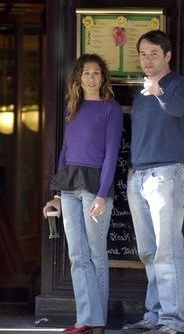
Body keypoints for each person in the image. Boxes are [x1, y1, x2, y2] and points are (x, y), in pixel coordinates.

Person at [43, 54, 123, 334]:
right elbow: (65, 153)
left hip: (95, 189)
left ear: (103, 78)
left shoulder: (110, 109)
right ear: (78, 78)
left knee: (96, 254)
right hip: (70, 188)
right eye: (86, 73)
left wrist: (102, 194)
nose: (91, 78)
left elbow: (112, 154)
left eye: (96, 73)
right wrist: (56, 194)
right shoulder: (72, 108)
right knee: (77, 255)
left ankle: (96, 322)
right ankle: (84, 319)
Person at [123, 30, 184, 334]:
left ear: (167, 56)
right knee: (148, 251)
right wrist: (132, 170)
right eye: (142, 54)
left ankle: (173, 321)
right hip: (140, 175)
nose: (147, 59)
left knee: (168, 249)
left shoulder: (179, 85)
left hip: (168, 174)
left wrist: (159, 91)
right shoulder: (141, 91)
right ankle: (155, 314)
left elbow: (180, 109)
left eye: (153, 53)